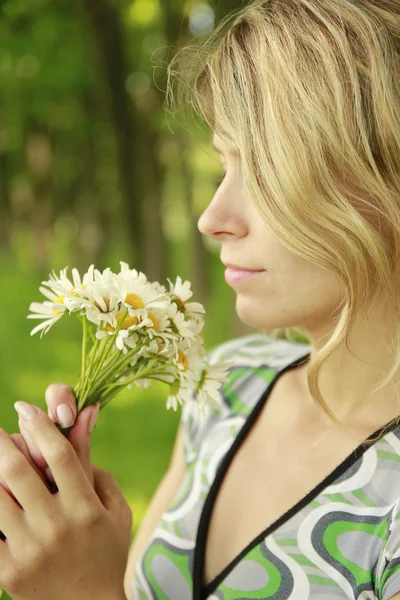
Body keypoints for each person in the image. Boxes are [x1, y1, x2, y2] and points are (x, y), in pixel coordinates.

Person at [2, 0, 400, 598]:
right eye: (223, 164)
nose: (212, 218)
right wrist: (69, 533)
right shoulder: (230, 387)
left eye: (264, 172)